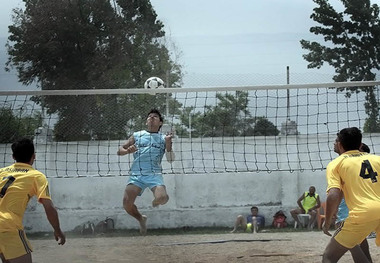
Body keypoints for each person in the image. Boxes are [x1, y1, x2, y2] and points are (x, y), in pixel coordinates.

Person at [0, 138, 65, 263]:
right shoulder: (36, 176)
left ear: (13, 157)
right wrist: (58, 230)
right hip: (8, 226)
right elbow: (48, 206)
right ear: (34, 156)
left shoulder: (1, 172)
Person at [322, 127, 380, 263]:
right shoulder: (377, 159)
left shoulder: (336, 163)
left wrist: (327, 220)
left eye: (336, 141)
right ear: (360, 145)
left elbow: (333, 195)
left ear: (340, 144)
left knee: (328, 257)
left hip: (363, 213)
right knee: (358, 244)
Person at [117, 109, 175, 235]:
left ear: (160, 123)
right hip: (137, 174)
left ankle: (156, 201)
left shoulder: (163, 138)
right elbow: (119, 150)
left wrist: (169, 144)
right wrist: (127, 151)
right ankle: (140, 218)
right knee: (127, 204)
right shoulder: (137, 135)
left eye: (155, 117)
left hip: (154, 174)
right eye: (149, 116)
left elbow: (171, 160)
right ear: (146, 121)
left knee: (163, 198)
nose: (152, 118)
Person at [334, 142, 372, 262]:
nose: (335, 143)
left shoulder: (346, 164)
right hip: (361, 208)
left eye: (337, 141)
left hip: (349, 209)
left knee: (349, 242)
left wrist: (333, 210)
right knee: (360, 241)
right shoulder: (365, 164)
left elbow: (337, 192)